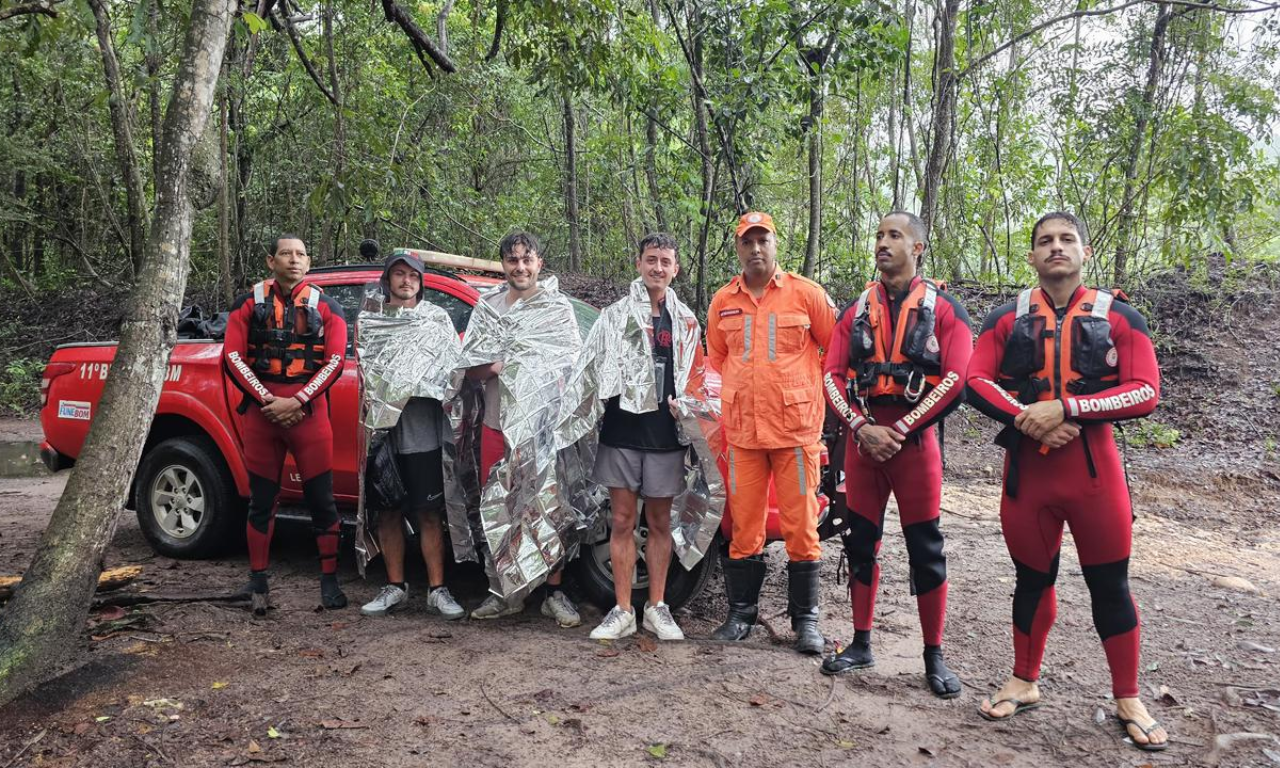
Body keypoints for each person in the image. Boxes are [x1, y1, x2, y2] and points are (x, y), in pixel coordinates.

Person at [966, 211, 1168, 751]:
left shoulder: (1122, 317)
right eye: (1045, 241)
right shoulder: (1005, 318)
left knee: (1111, 586)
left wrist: (1068, 407)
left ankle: (1128, 695)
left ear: (1084, 251)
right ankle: (1024, 680)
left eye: (1067, 239)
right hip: (1028, 477)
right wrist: (1029, 417)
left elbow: (1145, 391)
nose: (1056, 248)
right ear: (1031, 256)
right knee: (1032, 581)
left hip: (1095, 478)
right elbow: (974, 381)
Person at [819, 211, 971, 697]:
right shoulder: (856, 309)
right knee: (860, 542)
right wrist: (860, 426)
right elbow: (831, 374)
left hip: (915, 444)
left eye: (895, 236)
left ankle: (934, 655)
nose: (883, 243)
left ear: (918, 247)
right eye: (880, 235)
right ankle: (861, 642)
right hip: (864, 444)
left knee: (926, 549)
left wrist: (900, 428)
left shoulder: (946, 309)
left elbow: (958, 378)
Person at [705, 212, 836, 654]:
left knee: (801, 527)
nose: (755, 249)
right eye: (747, 242)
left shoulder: (806, 295)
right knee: (744, 526)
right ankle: (741, 615)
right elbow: (720, 359)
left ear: (776, 245)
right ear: (738, 249)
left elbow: (832, 352)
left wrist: (802, 395)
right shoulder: (723, 300)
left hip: (795, 433)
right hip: (742, 433)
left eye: (763, 240)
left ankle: (807, 623)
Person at [580, 233, 705, 641]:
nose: (657, 268)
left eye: (665, 262)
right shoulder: (613, 316)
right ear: (638, 264)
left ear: (675, 268)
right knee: (620, 520)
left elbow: (699, 379)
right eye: (651, 260)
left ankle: (656, 606)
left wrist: (688, 407)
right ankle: (621, 610)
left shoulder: (685, 320)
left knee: (659, 523)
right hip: (621, 432)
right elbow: (590, 370)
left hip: (665, 436)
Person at [223, 234, 348, 615]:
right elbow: (231, 356)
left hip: (308, 414)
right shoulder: (247, 304)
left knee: (322, 502)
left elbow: (336, 360)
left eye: (300, 255)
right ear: (270, 261)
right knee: (261, 502)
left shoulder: (329, 307)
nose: (293, 260)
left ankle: (329, 582)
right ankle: (257, 582)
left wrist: (297, 399)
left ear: (309, 263)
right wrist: (267, 399)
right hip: (264, 416)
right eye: (285, 254)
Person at [465, 231, 581, 627]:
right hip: (498, 421)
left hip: (543, 424)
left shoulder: (557, 308)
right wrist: (495, 365)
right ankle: (504, 593)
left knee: (547, 504)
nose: (520, 267)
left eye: (527, 259)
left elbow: (572, 366)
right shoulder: (488, 308)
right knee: (499, 505)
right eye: (512, 260)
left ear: (539, 263)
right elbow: (471, 367)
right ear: (503, 264)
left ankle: (553, 592)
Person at [359, 253, 466, 620]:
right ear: (387, 279)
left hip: (423, 430)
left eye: (413, 276)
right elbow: (367, 373)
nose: (406, 281)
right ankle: (394, 587)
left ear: (421, 282)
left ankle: (437, 590)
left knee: (428, 512)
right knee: (386, 511)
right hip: (383, 431)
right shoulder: (371, 322)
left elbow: (452, 371)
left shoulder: (436, 320)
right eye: (399, 274)